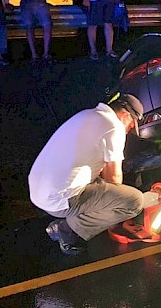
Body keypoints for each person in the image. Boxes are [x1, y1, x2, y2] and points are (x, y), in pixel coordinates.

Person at [28, 92, 145, 255]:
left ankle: (70, 222)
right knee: (134, 201)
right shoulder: (114, 126)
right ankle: (65, 229)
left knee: (100, 184)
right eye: (131, 125)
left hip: (38, 192)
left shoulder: (87, 114)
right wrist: (115, 215)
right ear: (125, 115)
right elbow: (114, 179)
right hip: (59, 199)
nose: (128, 130)